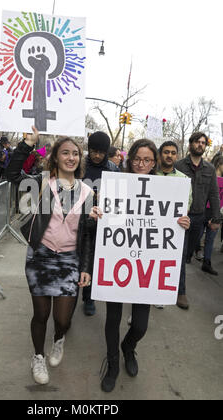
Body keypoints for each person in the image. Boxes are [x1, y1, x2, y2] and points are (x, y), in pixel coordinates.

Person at [91, 139, 190, 393]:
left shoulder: (166, 189)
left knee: (140, 325)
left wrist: (182, 222)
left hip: (147, 269)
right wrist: (99, 214)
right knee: (112, 319)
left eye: (147, 160)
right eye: (137, 159)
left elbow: (171, 219)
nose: (141, 164)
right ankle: (113, 364)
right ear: (129, 159)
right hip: (119, 264)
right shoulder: (117, 185)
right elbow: (107, 221)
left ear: (154, 162)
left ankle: (128, 347)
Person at [6, 127, 94, 386]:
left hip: (69, 260)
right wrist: (27, 144)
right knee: (41, 314)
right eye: (65, 153)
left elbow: (87, 236)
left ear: (80, 159)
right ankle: (38, 356)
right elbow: (12, 174)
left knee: (63, 319)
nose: (70, 157)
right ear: (55, 157)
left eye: (75, 153)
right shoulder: (44, 183)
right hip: (40, 256)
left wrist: (86, 266)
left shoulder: (88, 192)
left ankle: (59, 339)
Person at [82, 131, 120, 316]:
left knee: (95, 261)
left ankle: (89, 297)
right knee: (78, 259)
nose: (97, 155)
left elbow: (122, 194)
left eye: (101, 152)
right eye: (93, 151)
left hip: (103, 222)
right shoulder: (79, 165)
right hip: (79, 220)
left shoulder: (113, 169)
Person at [175, 132, 221, 269]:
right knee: (178, 253)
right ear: (190, 145)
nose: (200, 145)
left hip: (198, 219)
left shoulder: (210, 169)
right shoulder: (179, 166)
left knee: (188, 253)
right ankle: (177, 286)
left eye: (203, 143)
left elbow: (214, 194)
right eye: (197, 142)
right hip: (180, 217)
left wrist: (216, 218)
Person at [157, 141, 192, 309]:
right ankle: (139, 300)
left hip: (171, 231)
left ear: (176, 156)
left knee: (165, 262)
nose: (169, 155)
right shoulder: (149, 175)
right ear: (160, 154)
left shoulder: (183, 180)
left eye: (172, 152)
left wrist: (185, 219)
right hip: (148, 229)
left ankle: (158, 296)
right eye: (166, 152)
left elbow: (186, 205)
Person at [194, 156, 223, 275]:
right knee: (197, 234)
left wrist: (217, 216)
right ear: (220, 164)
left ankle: (207, 263)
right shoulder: (209, 177)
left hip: (216, 213)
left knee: (210, 239)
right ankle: (194, 251)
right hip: (203, 210)